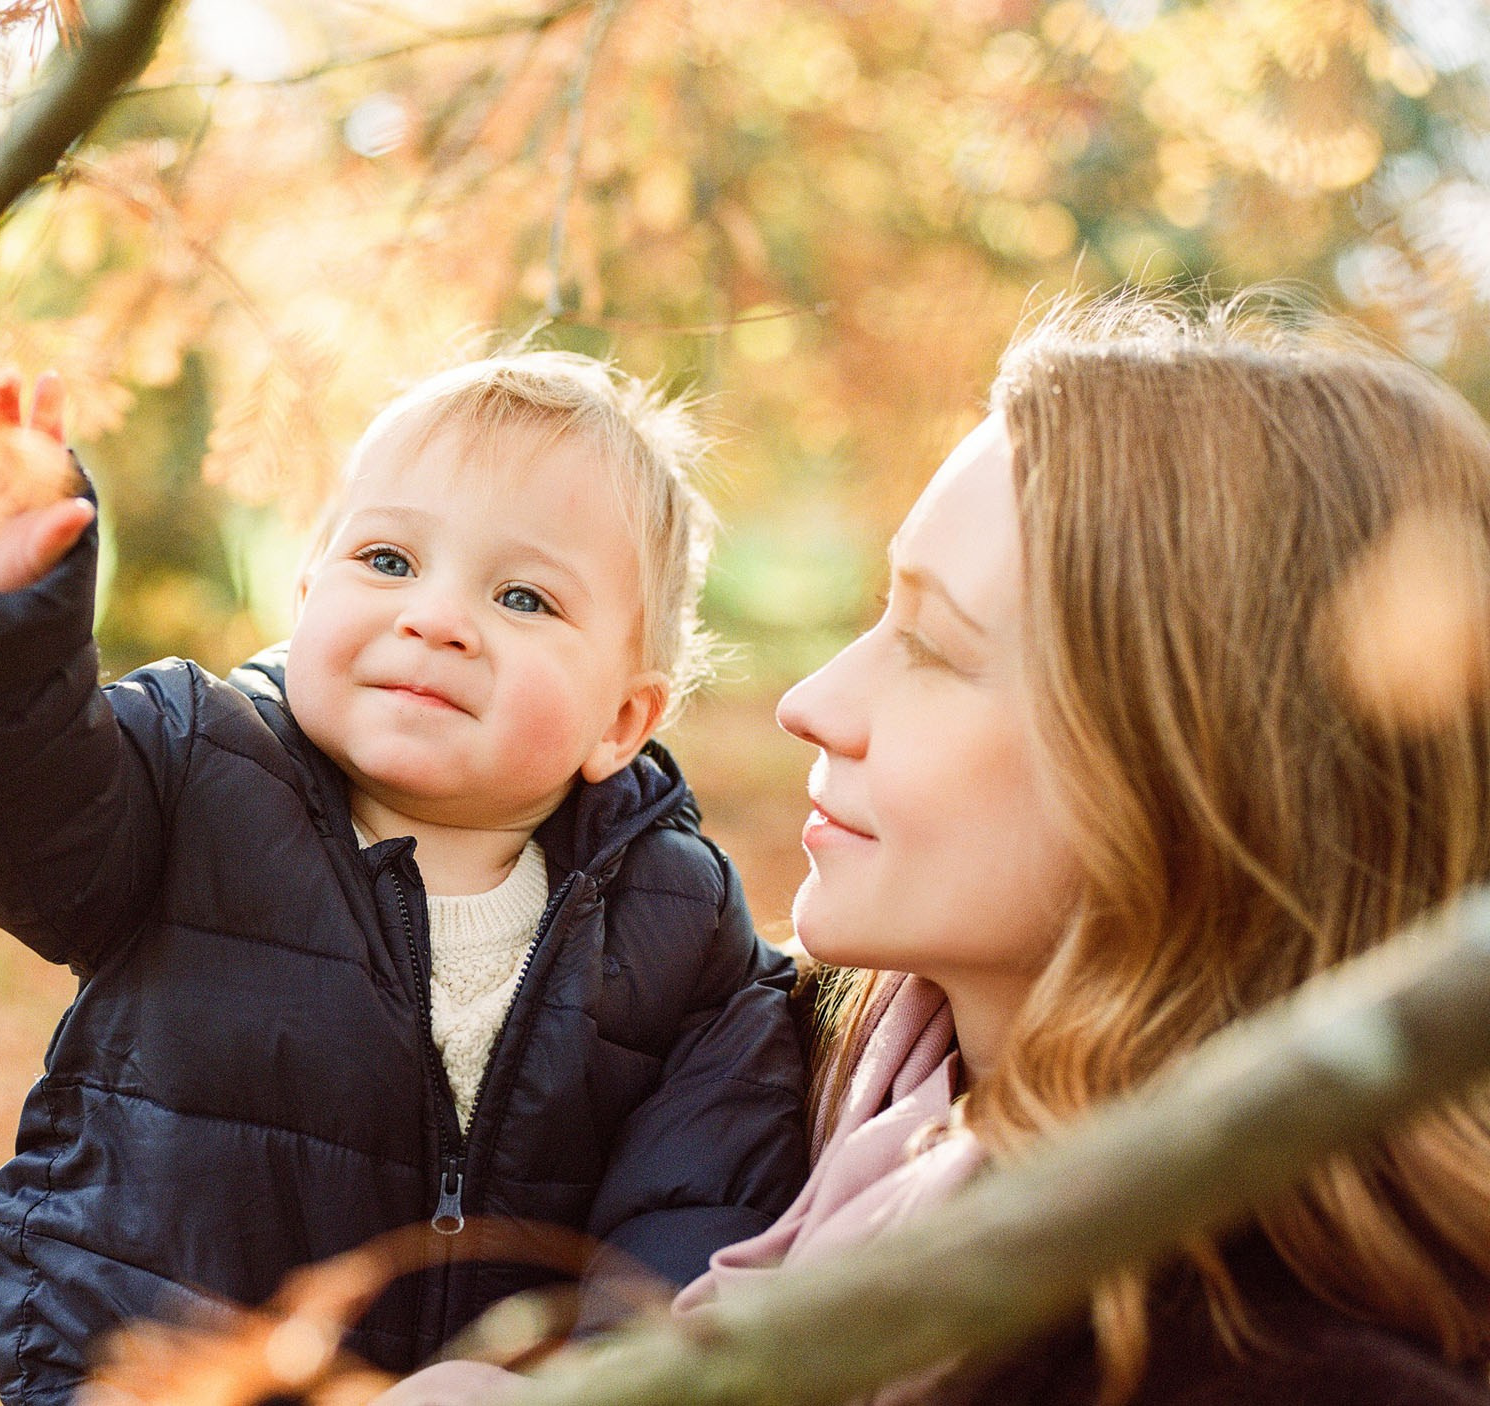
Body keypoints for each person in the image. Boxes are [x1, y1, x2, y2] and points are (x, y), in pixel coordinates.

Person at [382, 296, 1490, 1405]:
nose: (814, 702)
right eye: (878, 614)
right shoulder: (738, 1087)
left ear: (1199, 776)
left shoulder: (1285, 1374)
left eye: (934, 646)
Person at [0, 350, 810, 1406]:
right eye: (389, 560)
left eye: (522, 595)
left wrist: (586, 1382)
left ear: (623, 719)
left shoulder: (678, 921)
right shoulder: (192, 772)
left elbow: (698, 1206)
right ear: (307, 591)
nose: (435, 617)